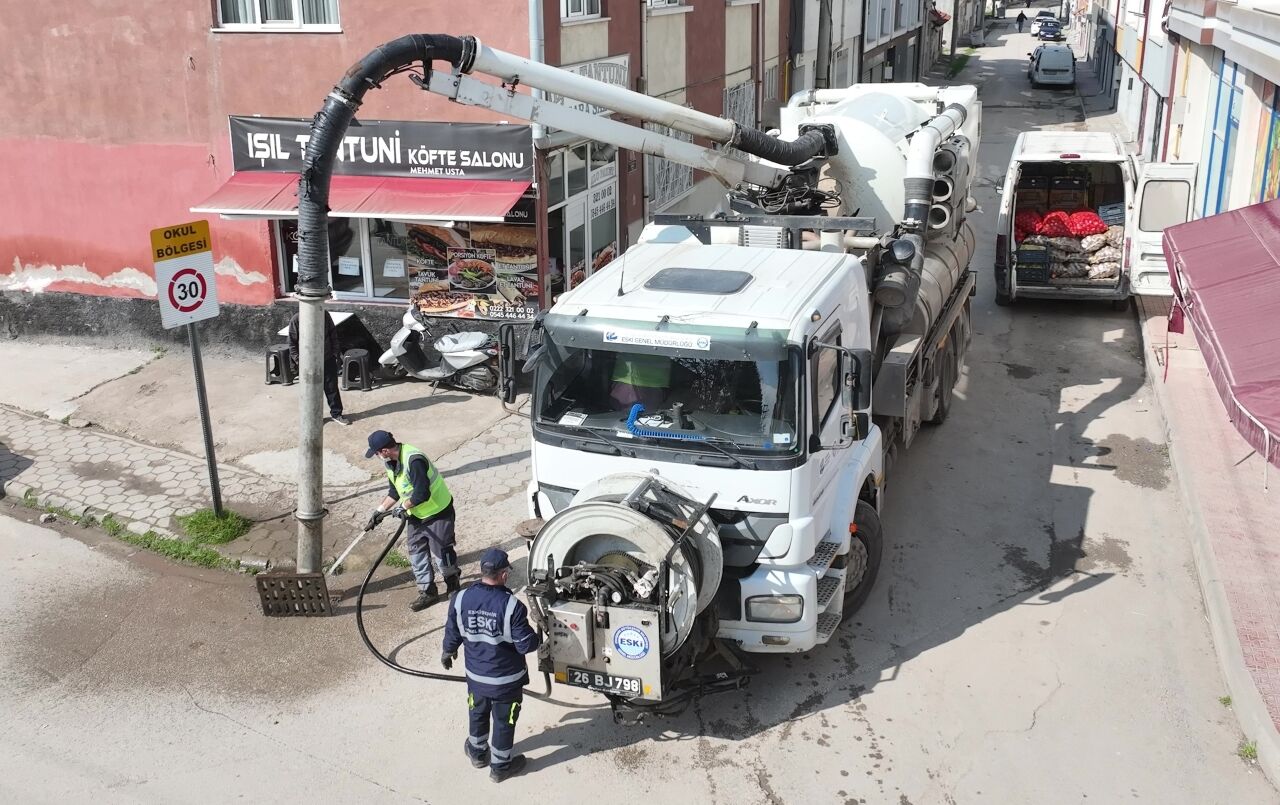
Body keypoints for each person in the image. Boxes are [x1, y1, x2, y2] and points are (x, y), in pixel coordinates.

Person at [442, 548, 541, 783]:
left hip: (476, 678)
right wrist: (538, 634)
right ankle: (500, 767)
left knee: (477, 712)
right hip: (506, 682)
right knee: (504, 722)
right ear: (504, 575)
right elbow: (525, 646)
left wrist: (448, 651)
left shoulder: (461, 598)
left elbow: (452, 629)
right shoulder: (511, 606)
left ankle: (477, 753)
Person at [365, 430, 460, 610]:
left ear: (385, 450)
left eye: (376, 453)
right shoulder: (391, 463)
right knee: (417, 554)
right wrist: (379, 511)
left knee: (442, 554)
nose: (377, 456)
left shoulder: (413, 460)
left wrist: (403, 507)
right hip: (416, 515)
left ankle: (453, 585)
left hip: (438, 512)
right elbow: (394, 492)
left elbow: (422, 493)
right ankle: (428, 592)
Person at [288, 309, 350, 426]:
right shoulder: (296, 320)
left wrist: (336, 353)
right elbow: (292, 343)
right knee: (311, 392)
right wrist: (300, 361)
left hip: (327, 358)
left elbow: (333, 334)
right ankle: (314, 417)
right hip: (308, 363)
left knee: (331, 388)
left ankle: (336, 414)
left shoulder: (324, 315)